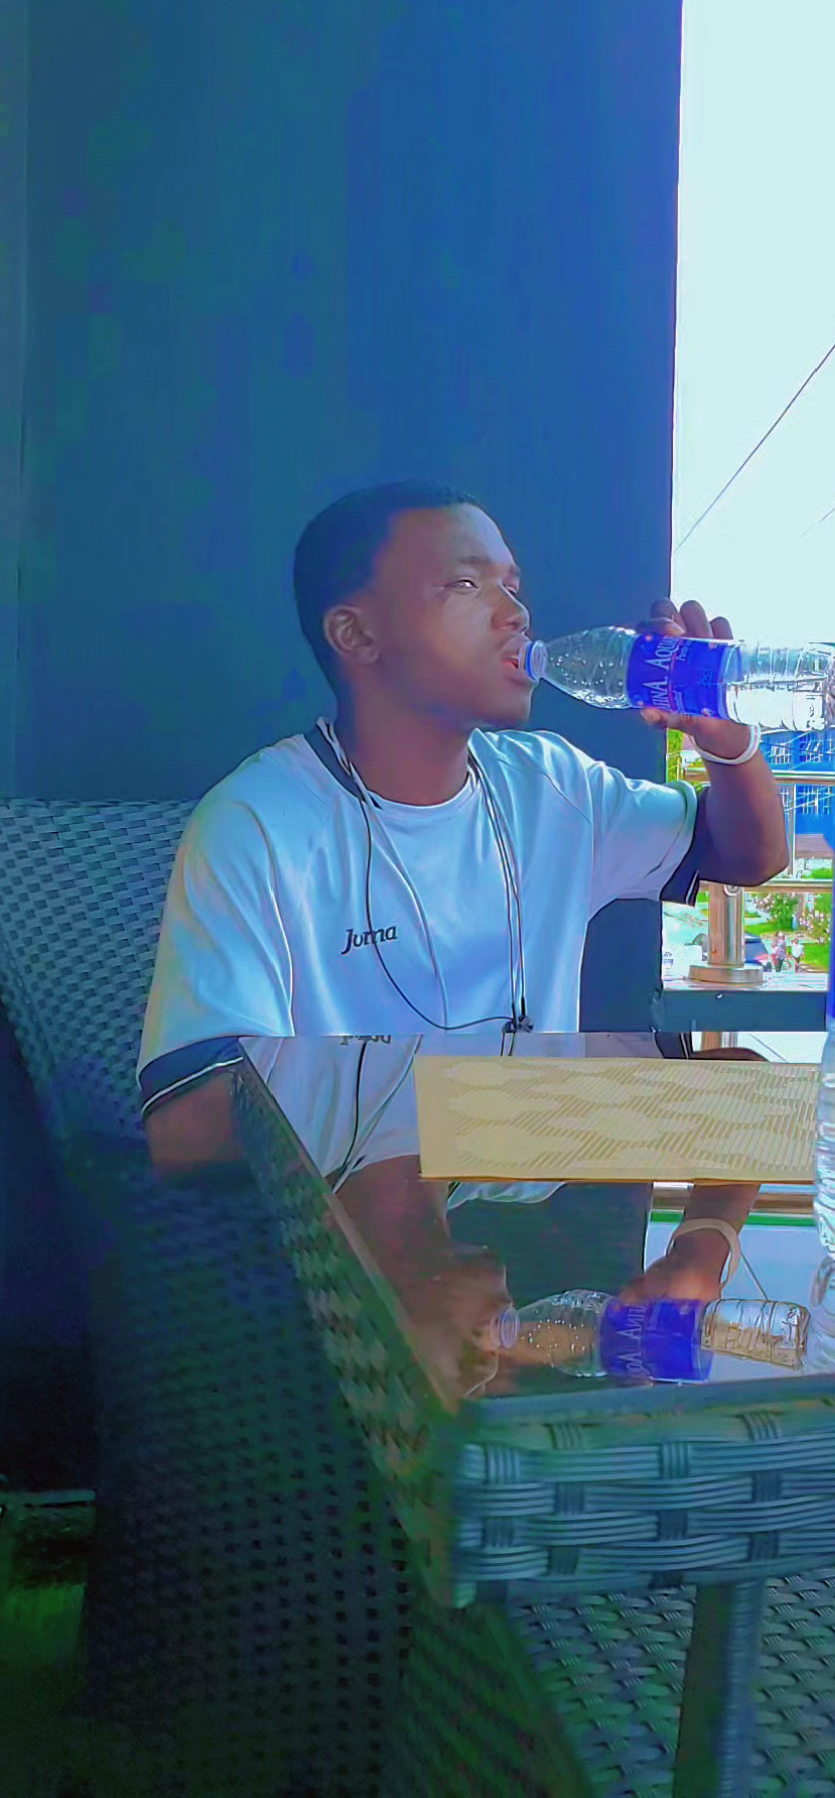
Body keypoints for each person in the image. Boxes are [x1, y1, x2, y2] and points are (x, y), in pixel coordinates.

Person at [140, 481, 787, 1304]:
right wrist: (434, 1102)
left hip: (530, 1152)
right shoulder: (260, 821)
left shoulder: (549, 784)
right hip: (356, 1210)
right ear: (358, 635)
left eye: (513, 585)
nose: (515, 613)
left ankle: (689, 1280)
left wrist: (727, 741)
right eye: (466, 584)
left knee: (746, 1086)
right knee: (396, 1162)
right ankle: (442, 1349)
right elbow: (186, 1124)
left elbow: (748, 856)